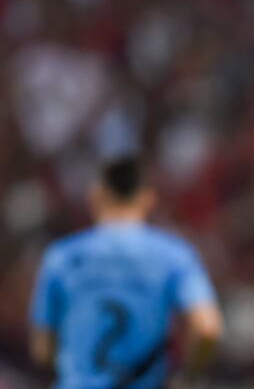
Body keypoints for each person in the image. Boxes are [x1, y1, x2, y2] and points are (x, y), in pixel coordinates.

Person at [29, 157, 222, 389]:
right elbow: (207, 328)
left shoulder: (62, 257)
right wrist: (188, 374)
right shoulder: (174, 255)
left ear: (96, 195)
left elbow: (43, 349)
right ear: (148, 199)